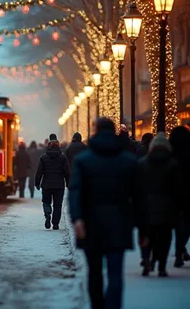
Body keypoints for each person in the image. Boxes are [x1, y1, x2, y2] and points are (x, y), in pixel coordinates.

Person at [70, 117, 141, 309]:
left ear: (95, 130)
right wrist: (144, 227)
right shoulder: (129, 161)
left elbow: (75, 192)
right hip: (120, 223)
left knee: (94, 272)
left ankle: (97, 306)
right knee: (115, 272)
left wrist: (77, 219)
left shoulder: (84, 160)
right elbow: (139, 196)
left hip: (91, 223)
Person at [137, 134, 181, 277]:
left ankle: (146, 258)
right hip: (167, 208)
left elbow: (136, 187)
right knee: (164, 238)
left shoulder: (143, 164)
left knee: (145, 234)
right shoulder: (173, 165)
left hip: (146, 207)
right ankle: (161, 265)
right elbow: (177, 189)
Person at [35, 134, 70, 230]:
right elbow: (67, 171)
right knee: (58, 205)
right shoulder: (63, 157)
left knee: (46, 201)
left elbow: (39, 172)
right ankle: (55, 224)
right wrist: (68, 183)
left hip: (46, 184)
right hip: (59, 185)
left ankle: (47, 213)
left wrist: (37, 183)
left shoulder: (44, 157)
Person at [168, 126, 190, 267]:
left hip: (172, 195)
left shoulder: (170, 155)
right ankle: (180, 249)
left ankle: (179, 251)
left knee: (177, 225)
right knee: (187, 224)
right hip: (188, 194)